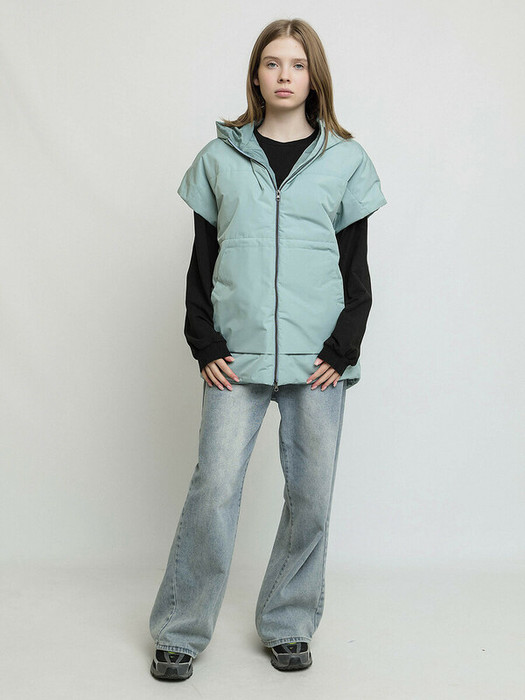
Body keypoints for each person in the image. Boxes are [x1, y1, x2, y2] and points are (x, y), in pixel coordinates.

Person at [149, 17, 387, 681]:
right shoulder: (218, 159)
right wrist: (204, 342)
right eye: (273, 63)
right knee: (215, 489)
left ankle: (287, 623)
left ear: (315, 77)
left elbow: (356, 270)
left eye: (298, 64)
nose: (285, 75)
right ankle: (180, 630)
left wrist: (342, 347)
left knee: (310, 496)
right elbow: (201, 263)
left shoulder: (345, 160)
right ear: (256, 75)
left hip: (318, 362)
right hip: (236, 356)